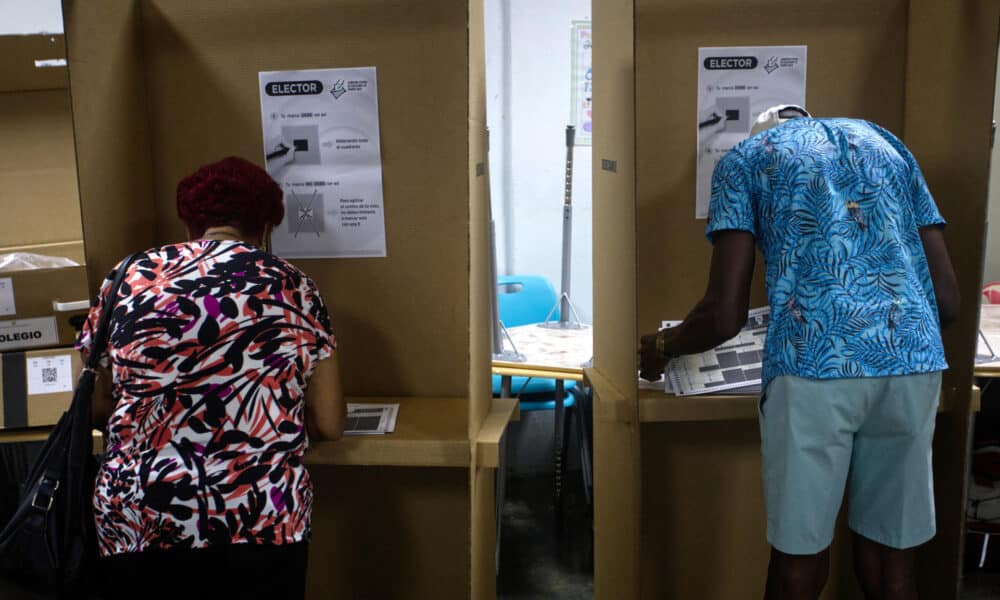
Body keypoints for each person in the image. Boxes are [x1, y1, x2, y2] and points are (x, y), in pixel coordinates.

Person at [639, 106, 960, 600]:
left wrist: (660, 347)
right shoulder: (887, 144)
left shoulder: (745, 159)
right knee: (890, 557)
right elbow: (947, 301)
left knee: (799, 558)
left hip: (815, 367)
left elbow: (724, 315)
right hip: (913, 361)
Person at [76, 156, 345, 600]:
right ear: (264, 227)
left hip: (141, 517)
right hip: (262, 516)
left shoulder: (127, 279)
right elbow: (330, 423)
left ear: (190, 224)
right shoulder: (293, 285)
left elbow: (94, 405)